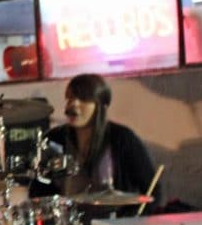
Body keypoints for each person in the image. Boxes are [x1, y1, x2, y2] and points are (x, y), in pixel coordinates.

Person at [29, 73, 158, 217]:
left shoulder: (122, 138)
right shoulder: (54, 139)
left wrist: (131, 222)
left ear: (100, 105)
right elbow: (37, 192)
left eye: (82, 99)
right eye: (70, 98)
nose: (73, 104)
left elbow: (152, 191)